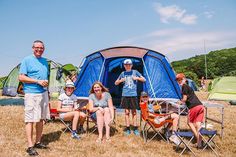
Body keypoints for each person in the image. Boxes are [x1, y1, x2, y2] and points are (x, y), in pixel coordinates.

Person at [19, 40, 50, 156]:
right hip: (31, 94)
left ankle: (38, 142)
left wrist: (46, 86)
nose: (39, 49)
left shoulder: (45, 61)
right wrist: (37, 81)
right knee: (30, 119)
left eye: (41, 48)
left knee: (41, 119)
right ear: (33, 48)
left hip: (43, 93)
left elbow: (44, 77)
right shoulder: (27, 60)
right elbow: (21, 77)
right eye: (37, 47)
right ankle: (30, 146)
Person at [115, 59, 146, 136]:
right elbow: (115, 83)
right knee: (126, 112)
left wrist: (137, 78)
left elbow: (144, 79)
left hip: (133, 94)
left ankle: (135, 128)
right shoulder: (122, 73)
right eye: (126, 65)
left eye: (129, 65)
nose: (128, 66)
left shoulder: (135, 72)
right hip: (125, 94)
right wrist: (120, 80)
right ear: (124, 66)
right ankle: (128, 128)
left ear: (132, 65)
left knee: (134, 112)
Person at [176, 73, 205, 148]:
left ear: (184, 79)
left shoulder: (184, 87)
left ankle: (198, 139)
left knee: (190, 123)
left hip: (193, 106)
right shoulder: (188, 87)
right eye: (177, 80)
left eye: (180, 79)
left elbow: (185, 99)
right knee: (198, 124)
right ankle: (199, 144)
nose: (178, 81)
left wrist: (180, 101)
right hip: (201, 106)